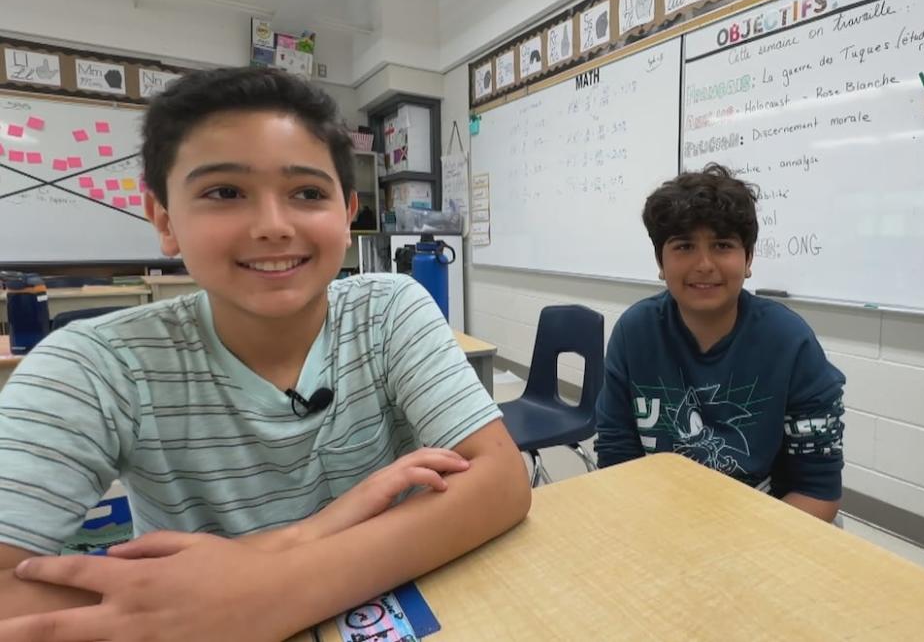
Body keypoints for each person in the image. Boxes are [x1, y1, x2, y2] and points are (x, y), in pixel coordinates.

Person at [0, 67, 530, 640]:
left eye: (307, 193)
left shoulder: (390, 308)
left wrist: (271, 586)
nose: (274, 226)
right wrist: (300, 542)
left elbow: (501, 481)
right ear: (164, 219)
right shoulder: (91, 365)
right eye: (224, 193)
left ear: (348, 213)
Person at [594, 164, 846, 522]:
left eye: (722, 245)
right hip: (659, 516)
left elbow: (817, 491)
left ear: (748, 259)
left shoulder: (790, 342)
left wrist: (733, 547)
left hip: (766, 522)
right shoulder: (635, 332)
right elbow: (617, 460)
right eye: (684, 246)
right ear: (660, 262)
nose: (704, 264)